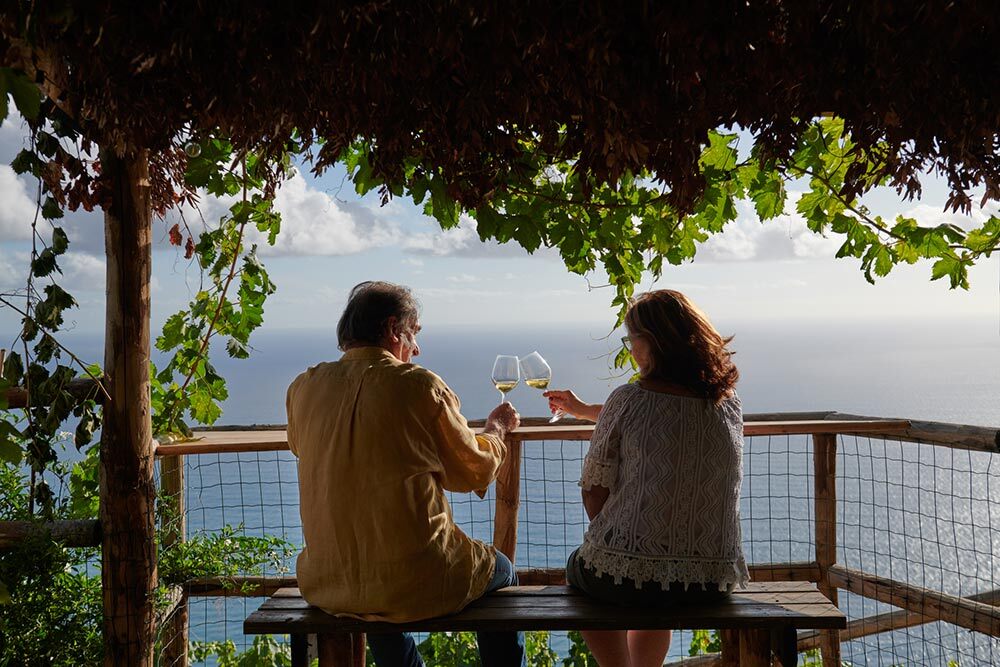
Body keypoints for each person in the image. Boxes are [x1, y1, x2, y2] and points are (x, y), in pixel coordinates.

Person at [286, 281, 526, 667]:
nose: (416, 349)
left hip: (328, 582)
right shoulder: (419, 386)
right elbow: (473, 472)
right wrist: (496, 431)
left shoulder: (304, 388)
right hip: (418, 579)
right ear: (394, 329)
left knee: (381, 602)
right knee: (503, 570)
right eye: (414, 335)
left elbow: (304, 448)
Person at [544, 289, 749, 667]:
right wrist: (582, 409)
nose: (631, 349)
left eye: (631, 340)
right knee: (658, 574)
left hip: (630, 583)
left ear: (651, 343)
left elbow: (594, 493)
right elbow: (667, 416)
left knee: (582, 573)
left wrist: (629, 537)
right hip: (711, 582)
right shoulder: (729, 404)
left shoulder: (629, 399)